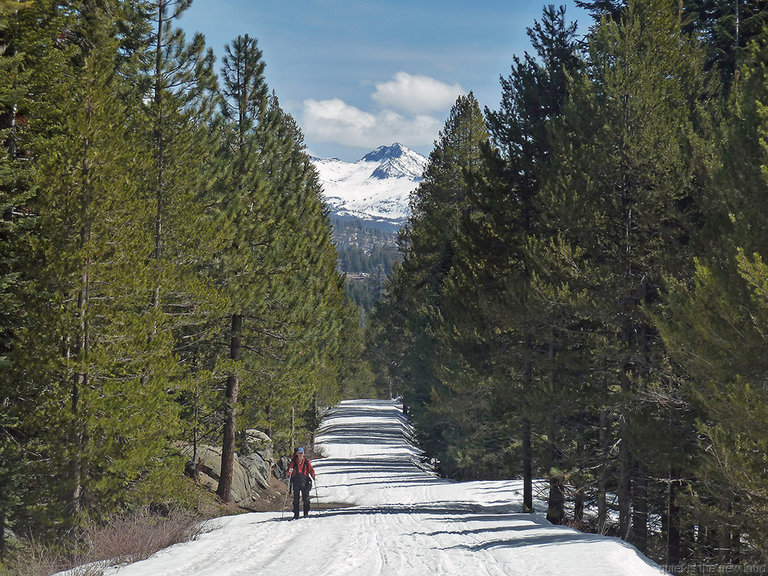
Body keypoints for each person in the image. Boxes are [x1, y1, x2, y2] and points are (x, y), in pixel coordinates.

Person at [287, 446, 315, 519]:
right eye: (299, 453)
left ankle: (306, 513)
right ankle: (296, 514)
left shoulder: (306, 462)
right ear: (296, 454)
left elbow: (311, 470)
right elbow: (288, 471)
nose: (300, 454)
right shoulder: (293, 462)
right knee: (296, 499)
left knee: (305, 498)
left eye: (301, 453)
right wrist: (289, 471)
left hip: (305, 482)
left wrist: (313, 475)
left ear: (303, 454)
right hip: (296, 482)